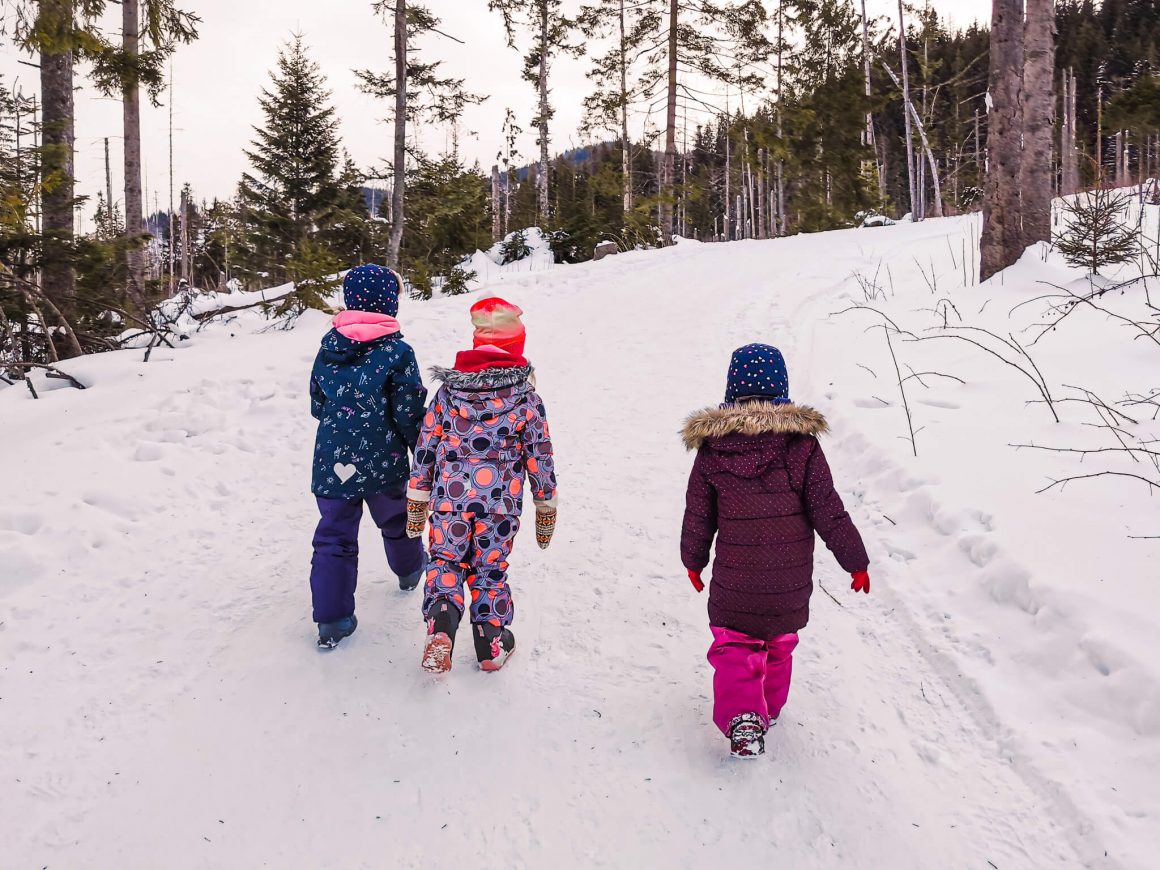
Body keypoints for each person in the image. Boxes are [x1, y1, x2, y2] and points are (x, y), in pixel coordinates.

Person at [680, 344, 871, 758]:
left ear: (731, 391)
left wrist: (693, 562)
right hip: (788, 582)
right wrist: (856, 561)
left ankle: (744, 719)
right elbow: (829, 510)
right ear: (782, 388)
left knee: (735, 647)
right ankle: (768, 706)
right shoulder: (802, 448)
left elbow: (698, 515)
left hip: (736, 582)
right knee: (779, 645)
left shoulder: (713, 451)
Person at [405, 297, 558, 673]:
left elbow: (427, 444)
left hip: (448, 501)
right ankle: (491, 644)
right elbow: (539, 454)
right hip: (499, 505)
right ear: (516, 349)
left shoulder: (447, 394)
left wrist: (417, 497)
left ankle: (441, 627)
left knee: (445, 560)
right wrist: (545, 502)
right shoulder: (526, 399)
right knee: (490, 568)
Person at [308, 265, 428, 649]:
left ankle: (333, 618)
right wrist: (420, 448)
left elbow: (317, 402)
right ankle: (409, 569)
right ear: (390, 304)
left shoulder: (329, 347)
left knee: (334, 536)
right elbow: (408, 410)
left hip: (332, 462)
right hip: (385, 461)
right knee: (395, 519)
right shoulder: (397, 351)